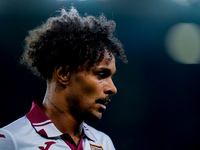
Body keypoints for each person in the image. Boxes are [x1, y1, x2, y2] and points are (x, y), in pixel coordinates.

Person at [0, 7, 127, 150]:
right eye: (101, 75)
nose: (113, 88)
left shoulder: (104, 143)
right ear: (63, 74)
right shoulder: (10, 140)